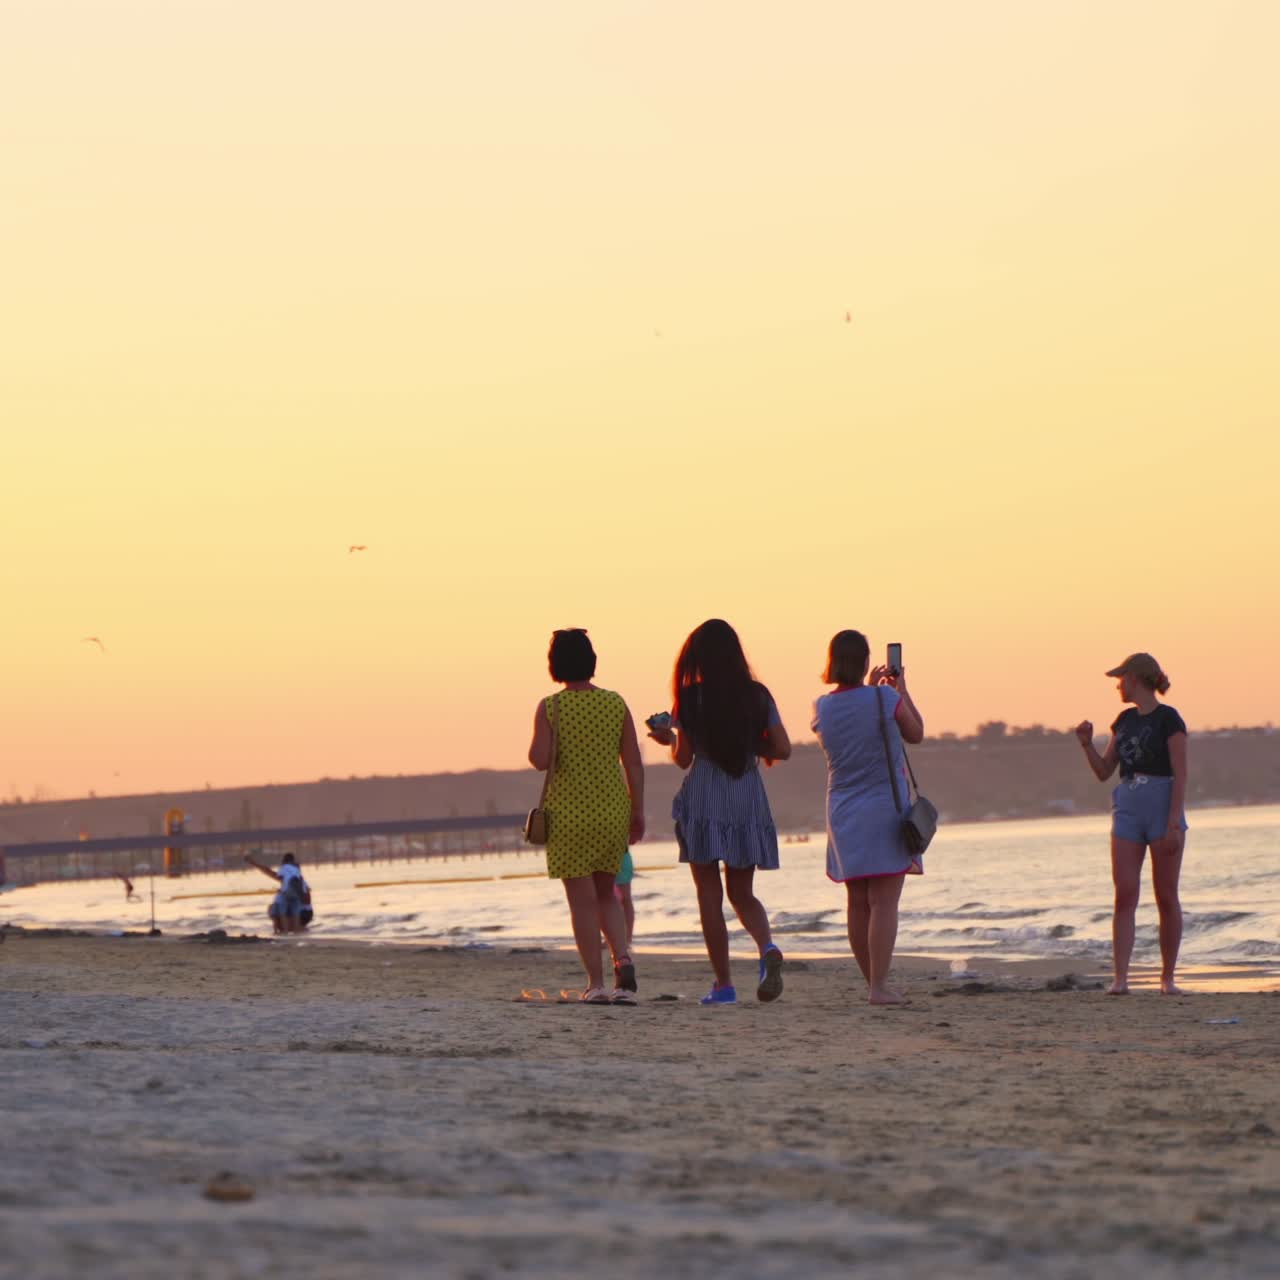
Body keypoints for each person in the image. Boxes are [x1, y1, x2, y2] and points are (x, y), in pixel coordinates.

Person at [648, 619, 790, 1005]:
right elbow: (783, 749)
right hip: (746, 796)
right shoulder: (758, 696)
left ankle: (724, 986)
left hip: (705, 797)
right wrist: (746, 743)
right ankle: (766, 949)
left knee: (709, 895)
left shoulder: (690, 698)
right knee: (743, 893)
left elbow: (683, 759)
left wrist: (669, 738)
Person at [528, 628, 645, 1004]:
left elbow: (540, 759)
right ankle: (622, 962)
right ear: (592, 660)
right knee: (608, 896)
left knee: (581, 903)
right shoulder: (616, 703)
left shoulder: (551, 707)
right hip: (612, 811)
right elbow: (633, 762)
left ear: (555, 664)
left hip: (569, 816)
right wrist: (637, 809)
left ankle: (595, 984)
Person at [812, 631, 925, 1006]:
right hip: (882, 808)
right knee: (884, 902)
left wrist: (878, 692)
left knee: (857, 901)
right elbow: (916, 733)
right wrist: (899, 689)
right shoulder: (885, 697)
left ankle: (873, 984)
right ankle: (879, 986)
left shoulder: (822, 708)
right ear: (864, 661)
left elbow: (849, 731)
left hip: (842, 809)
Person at [1075, 652, 1188, 995]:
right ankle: (1120, 978)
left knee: (1165, 895)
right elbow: (1104, 771)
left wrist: (1173, 821)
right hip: (1128, 804)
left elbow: (1180, 772)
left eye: (1121, 679)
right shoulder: (1123, 720)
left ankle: (1167, 978)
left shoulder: (1169, 719)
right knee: (1124, 893)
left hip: (1162, 802)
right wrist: (1085, 744)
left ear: (1135, 679)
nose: (1118, 686)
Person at [246, 851, 307, 936]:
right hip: (296, 894)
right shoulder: (297, 868)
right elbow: (299, 882)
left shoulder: (284, 867)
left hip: (286, 893)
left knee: (282, 913)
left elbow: (278, 876)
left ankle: (285, 932)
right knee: (296, 914)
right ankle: (296, 932)